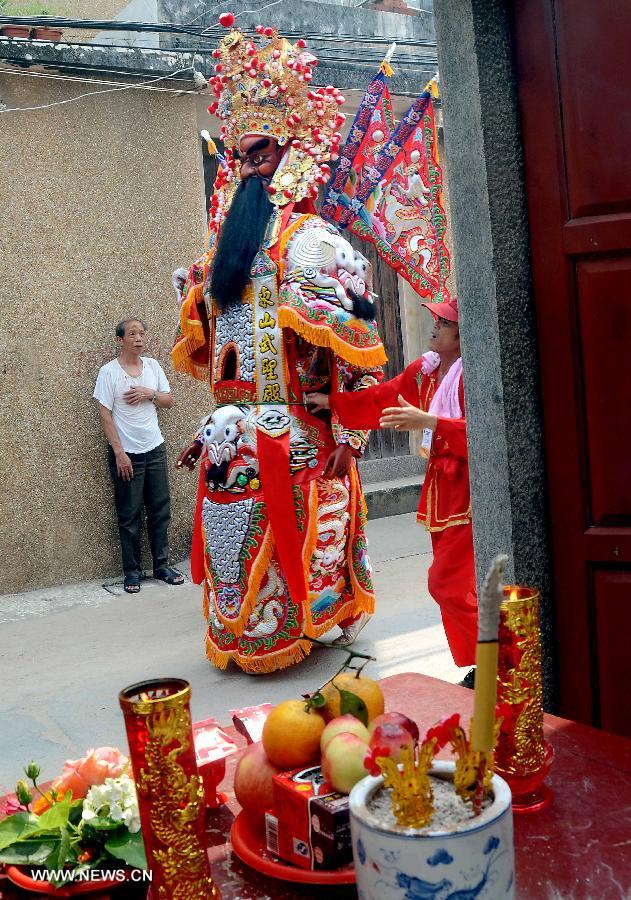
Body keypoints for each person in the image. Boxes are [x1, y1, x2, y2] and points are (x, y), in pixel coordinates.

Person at [171, 21, 387, 673]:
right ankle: (240, 632)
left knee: (284, 497)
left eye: (260, 154)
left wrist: (348, 439)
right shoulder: (222, 252)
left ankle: (301, 623)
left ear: (291, 155)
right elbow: (210, 349)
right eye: (241, 157)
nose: (247, 168)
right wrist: (194, 292)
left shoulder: (314, 243)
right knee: (226, 499)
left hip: (298, 421)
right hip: (231, 423)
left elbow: (357, 350)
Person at [307, 296, 477, 683]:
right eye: (436, 319)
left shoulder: (474, 373)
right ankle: (485, 664)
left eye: (444, 322)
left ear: (463, 335)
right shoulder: (428, 371)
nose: (434, 325)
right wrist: (333, 403)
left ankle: (498, 659)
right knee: (458, 586)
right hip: (444, 491)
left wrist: (430, 420)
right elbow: (384, 397)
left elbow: (484, 435)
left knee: (447, 584)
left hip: (471, 493)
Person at [94, 318, 185, 594]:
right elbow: (104, 414)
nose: (138, 338)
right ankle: (131, 572)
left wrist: (149, 393)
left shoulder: (153, 367)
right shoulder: (109, 373)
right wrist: (119, 453)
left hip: (154, 448)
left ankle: (161, 566)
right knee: (129, 515)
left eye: (142, 333)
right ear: (120, 340)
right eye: (132, 334)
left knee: (160, 511)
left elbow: (168, 400)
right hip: (127, 454)